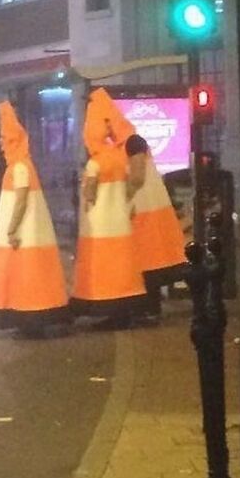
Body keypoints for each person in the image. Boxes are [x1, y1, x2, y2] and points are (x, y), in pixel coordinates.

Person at [0, 101, 69, 338]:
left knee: (27, 279)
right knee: (27, 278)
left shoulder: (19, 166)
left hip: (24, 237)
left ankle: (32, 324)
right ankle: (29, 323)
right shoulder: (19, 164)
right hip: (27, 236)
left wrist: (11, 229)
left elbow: (21, 201)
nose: (0, 143)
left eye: (4, 138)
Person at [71, 88, 147, 328]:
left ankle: (107, 310)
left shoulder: (95, 162)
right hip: (121, 223)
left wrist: (86, 194)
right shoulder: (119, 156)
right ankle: (123, 313)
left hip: (101, 227)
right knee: (122, 267)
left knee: (103, 269)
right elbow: (133, 182)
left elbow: (90, 191)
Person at [126, 133, 187, 322]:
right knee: (152, 263)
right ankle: (151, 308)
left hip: (143, 214)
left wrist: (121, 200)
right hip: (151, 212)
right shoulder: (134, 142)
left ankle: (148, 309)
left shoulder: (130, 143)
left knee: (147, 263)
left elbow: (136, 178)